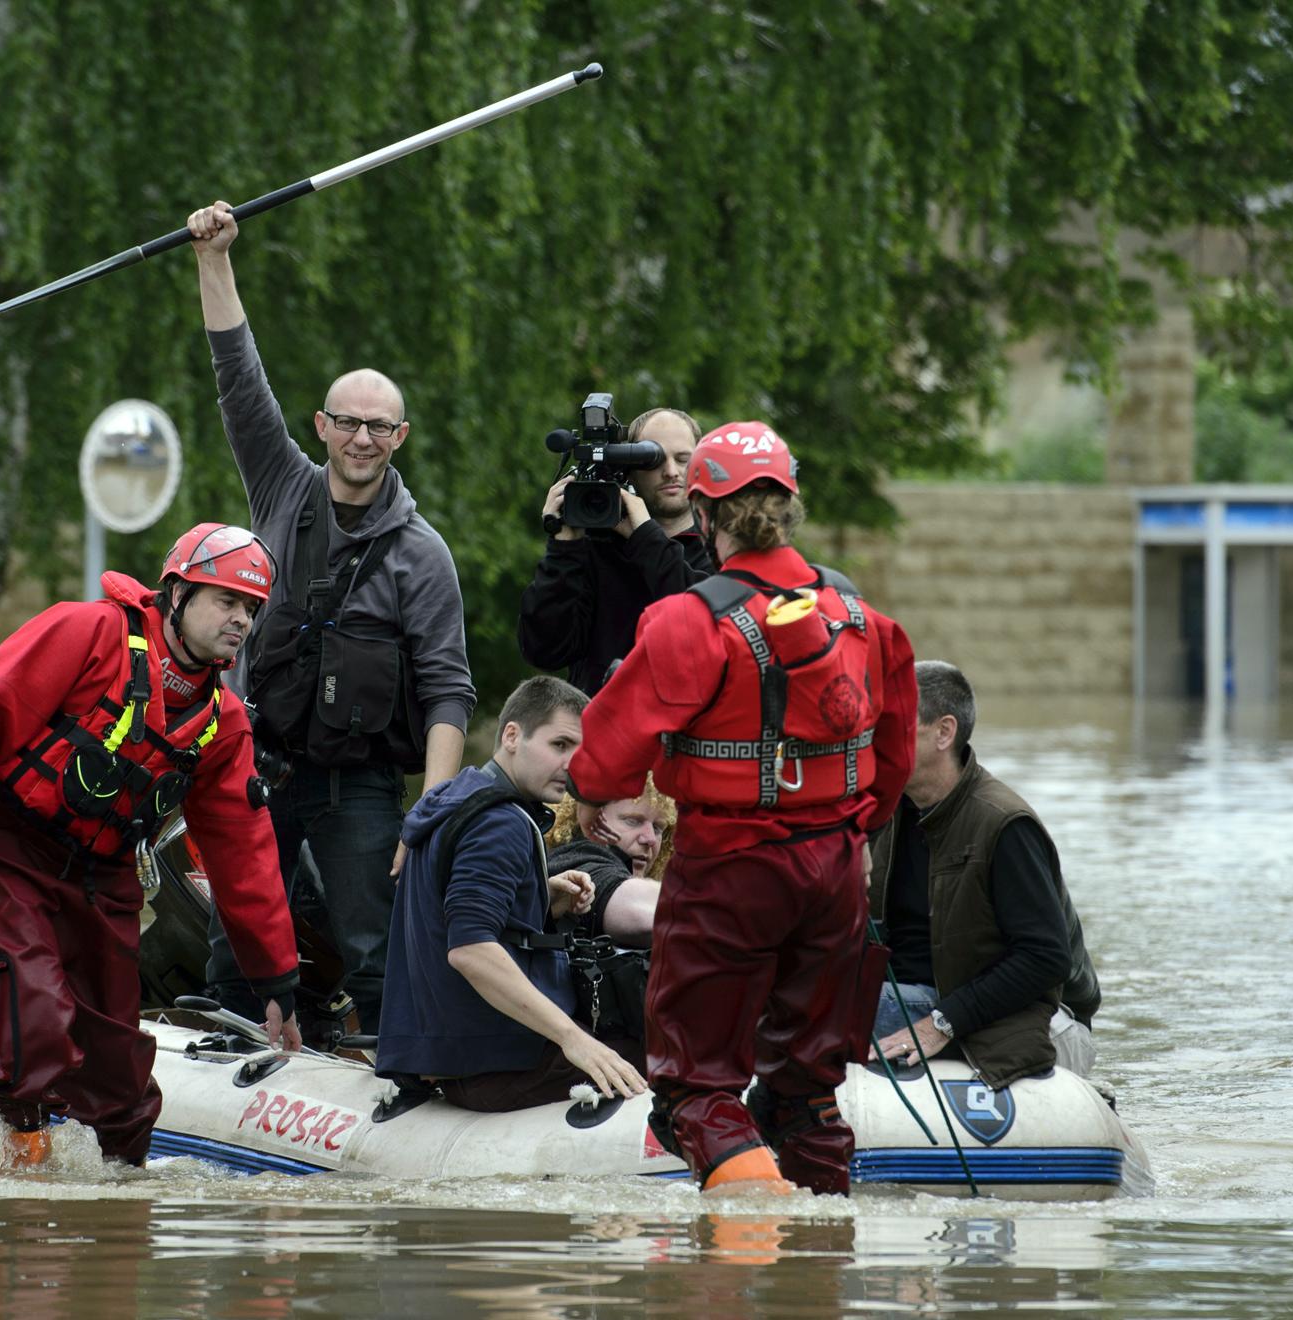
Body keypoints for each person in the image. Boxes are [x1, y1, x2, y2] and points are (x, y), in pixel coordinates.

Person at [566, 420, 919, 1196]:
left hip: (728, 872)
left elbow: (604, 757)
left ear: (702, 515)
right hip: (834, 877)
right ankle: (818, 1267)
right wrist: (850, 833)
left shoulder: (689, 622)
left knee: (696, 1088)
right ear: (790, 505)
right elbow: (893, 761)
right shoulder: (861, 618)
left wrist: (593, 799)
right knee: (806, 1096)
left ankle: (733, 1271)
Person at [0, 524, 301, 1167]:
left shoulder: (220, 722)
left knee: (122, 1075)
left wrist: (276, 979)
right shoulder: (87, 632)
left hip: (105, 873)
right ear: (176, 593)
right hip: (15, 850)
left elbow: (245, 855)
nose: (241, 620)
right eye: (227, 602)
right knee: (34, 1013)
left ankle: (121, 1202)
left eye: (252, 610)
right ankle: (20, 1173)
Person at [185, 199, 475, 1035]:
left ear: (400, 437)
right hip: (257, 763)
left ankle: (399, 1068)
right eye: (345, 421)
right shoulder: (280, 483)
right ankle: (223, 1057)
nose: (359, 437)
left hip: (362, 788)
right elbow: (239, 381)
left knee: (375, 943)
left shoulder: (424, 555)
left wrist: (432, 813)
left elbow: (448, 692)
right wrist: (215, 258)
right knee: (236, 940)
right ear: (322, 425)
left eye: (377, 427)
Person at [376, 676, 648, 1113]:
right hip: (499, 1066)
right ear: (512, 735)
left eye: (581, 752)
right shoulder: (498, 822)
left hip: (450, 1057)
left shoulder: (456, 795)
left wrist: (540, 896)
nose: (572, 764)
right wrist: (575, 1040)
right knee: (674, 1057)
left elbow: (447, 912)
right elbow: (471, 950)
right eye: (560, 745)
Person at [866, 660, 1101, 1084]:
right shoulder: (883, 814)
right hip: (909, 996)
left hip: (1022, 1016)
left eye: (893, 727)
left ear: (943, 732)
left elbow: (1046, 959)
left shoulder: (1005, 823)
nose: (877, 742)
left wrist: (941, 1024)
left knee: (821, 1016)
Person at [517, 407, 713, 694]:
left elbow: (709, 624)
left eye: (683, 459)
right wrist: (563, 546)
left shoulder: (720, 545)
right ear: (629, 467)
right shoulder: (598, 546)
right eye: (654, 460)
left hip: (688, 731)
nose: (671, 471)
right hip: (602, 729)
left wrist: (644, 537)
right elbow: (544, 651)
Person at [542, 774, 677, 944]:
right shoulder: (575, 861)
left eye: (658, 828)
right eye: (632, 821)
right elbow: (637, 910)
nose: (650, 839)